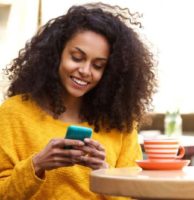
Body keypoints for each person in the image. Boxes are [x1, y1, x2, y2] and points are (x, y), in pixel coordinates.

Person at [0, 2, 156, 200]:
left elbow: (132, 195)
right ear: (56, 54)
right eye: (76, 57)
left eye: (98, 66)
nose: (85, 71)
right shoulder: (13, 113)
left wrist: (104, 174)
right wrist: (38, 164)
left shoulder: (120, 123)